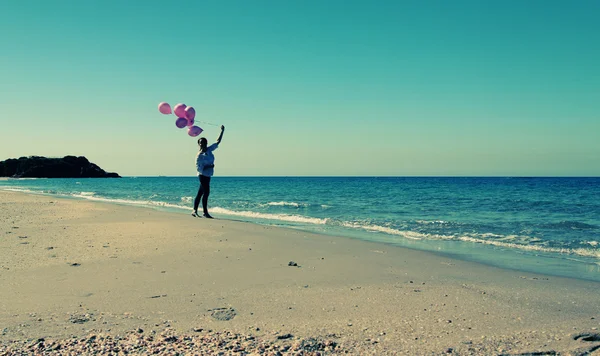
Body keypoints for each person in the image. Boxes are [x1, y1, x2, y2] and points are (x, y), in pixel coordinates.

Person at [193, 125, 225, 218]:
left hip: (208, 175)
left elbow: (218, 142)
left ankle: (194, 210)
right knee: (206, 192)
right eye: (200, 143)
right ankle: (205, 212)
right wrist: (209, 166)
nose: (202, 144)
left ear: (206, 143)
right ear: (198, 144)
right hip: (202, 175)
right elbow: (199, 169)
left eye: (203, 143)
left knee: (200, 192)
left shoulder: (210, 149)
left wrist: (222, 131)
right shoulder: (199, 156)